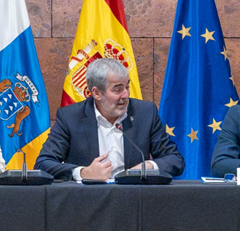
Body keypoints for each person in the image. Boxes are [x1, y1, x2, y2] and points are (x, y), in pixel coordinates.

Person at [36, 58, 183, 181]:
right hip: (86, 202)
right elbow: (43, 163)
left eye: (127, 87)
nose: (125, 95)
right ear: (97, 93)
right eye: (117, 89)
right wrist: (83, 173)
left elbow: (175, 159)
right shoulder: (71, 117)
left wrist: (148, 167)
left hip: (135, 200)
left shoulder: (145, 113)